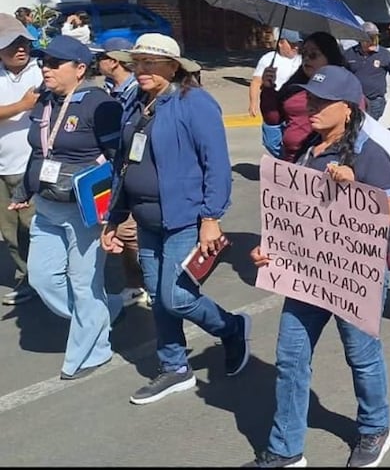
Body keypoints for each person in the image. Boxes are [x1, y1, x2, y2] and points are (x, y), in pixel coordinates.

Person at [248, 66, 390, 468]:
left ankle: (375, 429)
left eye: (320, 102)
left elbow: (389, 214)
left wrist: (355, 189)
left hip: (355, 277)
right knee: (290, 357)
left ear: (347, 109)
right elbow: (294, 216)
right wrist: (272, 249)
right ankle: (285, 449)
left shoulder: (369, 153)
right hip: (306, 275)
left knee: (361, 356)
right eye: (308, 99)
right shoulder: (305, 150)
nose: (309, 107)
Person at [101, 34, 251, 403]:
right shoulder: (137, 102)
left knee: (177, 297)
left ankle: (231, 328)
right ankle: (174, 367)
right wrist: (115, 215)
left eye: (151, 62)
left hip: (184, 216)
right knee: (157, 294)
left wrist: (212, 217)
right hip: (144, 216)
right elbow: (125, 163)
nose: (142, 70)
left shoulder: (194, 102)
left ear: (174, 66)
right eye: (137, 62)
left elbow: (216, 163)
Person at [9, 35, 122, 379]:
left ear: (80, 69)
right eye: (45, 62)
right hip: (47, 204)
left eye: (56, 64)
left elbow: (118, 160)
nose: (47, 68)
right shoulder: (44, 100)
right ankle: (105, 310)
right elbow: (40, 152)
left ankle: (93, 351)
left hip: (85, 208)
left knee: (83, 281)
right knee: (43, 279)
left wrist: (114, 213)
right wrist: (25, 189)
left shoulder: (98, 103)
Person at [94, 36, 147, 307]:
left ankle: (152, 284)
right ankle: (136, 284)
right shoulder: (106, 89)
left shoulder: (138, 90)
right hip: (115, 169)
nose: (97, 63)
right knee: (124, 231)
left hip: (136, 169)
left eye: (100, 57)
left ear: (114, 61)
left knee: (133, 234)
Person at [0, 15, 42, 306]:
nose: (20, 49)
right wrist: (23, 106)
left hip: (31, 166)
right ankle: (27, 278)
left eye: (24, 42)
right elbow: (26, 107)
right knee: (10, 232)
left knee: (36, 228)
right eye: (12, 44)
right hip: (2, 167)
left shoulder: (41, 73)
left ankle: (48, 281)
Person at [262, 32, 349, 163]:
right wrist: (268, 90)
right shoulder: (295, 85)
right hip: (292, 159)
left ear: (329, 56)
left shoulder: (344, 84)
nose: (306, 59)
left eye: (313, 55)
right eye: (304, 54)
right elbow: (273, 118)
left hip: (327, 160)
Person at [251, 29, 303, 158]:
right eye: (292, 44)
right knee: (271, 142)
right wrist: (253, 103)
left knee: (293, 141)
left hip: (293, 107)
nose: (295, 47)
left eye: (297, 44)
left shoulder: (302, 60)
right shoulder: (268, 59)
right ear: (281, 43)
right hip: (273, 107)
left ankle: (291, 162)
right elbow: (256, 82)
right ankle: (286, 160)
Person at [344, 31, 390, 121]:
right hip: (354, 100)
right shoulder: (349, 54)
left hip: (375, 101)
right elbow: (341, 76)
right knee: (356, 127)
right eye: (370, 40)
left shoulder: (384, 54)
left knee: (369, 127)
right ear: (361, 40)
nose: (373, 43)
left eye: (375, 39)